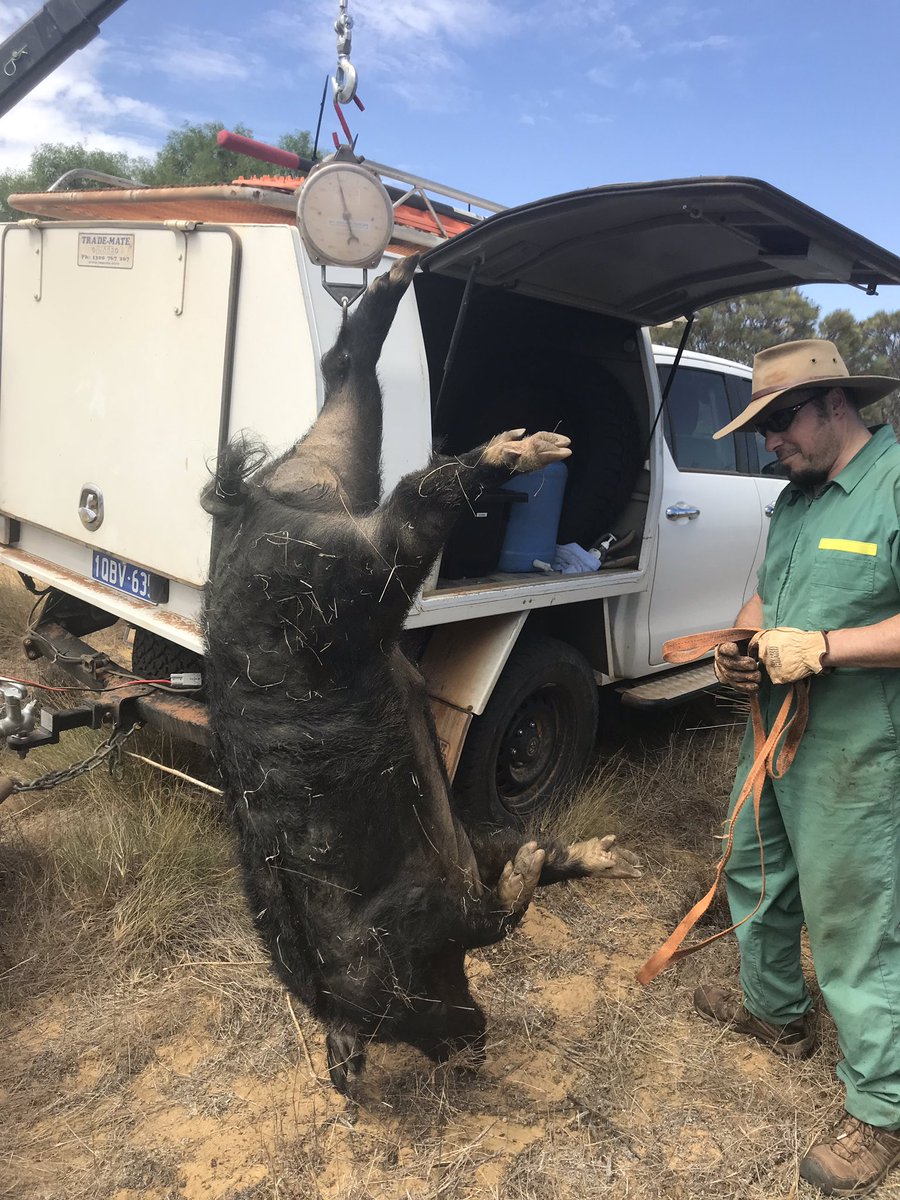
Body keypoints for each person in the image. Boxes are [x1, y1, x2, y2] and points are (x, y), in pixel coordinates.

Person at [698, 339, 900, 1197]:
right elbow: (766, 598)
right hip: (772, 731)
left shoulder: (892, 485)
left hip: (858, 750)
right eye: (762, 427)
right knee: (755, 869)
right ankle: (775, 1011)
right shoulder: (796, 498)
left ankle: (884, 1110)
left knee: (853, 920)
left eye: (778, 421)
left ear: (833, 405)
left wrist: (824, 647)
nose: (769, 441)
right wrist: (737, 644)